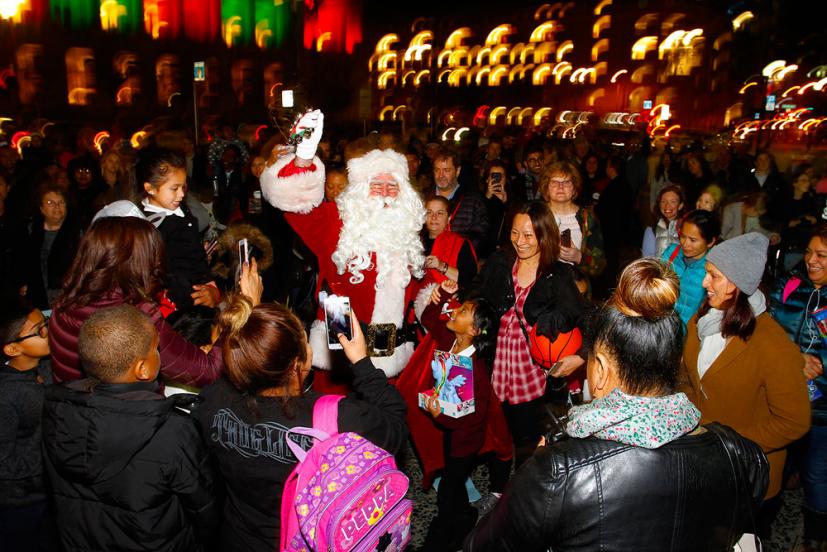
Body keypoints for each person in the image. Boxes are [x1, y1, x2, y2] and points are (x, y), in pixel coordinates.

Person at [465, 258, 769, 551]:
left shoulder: (559, 471)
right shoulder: (740, 455)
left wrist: (536, 475)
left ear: (599, 370)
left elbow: (480, 545)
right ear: (674, 361)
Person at [193, 297, 407, 551]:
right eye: (306, 341)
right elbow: (395, 426)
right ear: (297, 364)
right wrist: (361, 362)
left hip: (241, 538)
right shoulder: (341, 417)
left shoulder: (211, 402)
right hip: (309, 542)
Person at [261, 111, 425, 379]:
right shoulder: (336, 222)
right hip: (341, 358)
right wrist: (303, 159)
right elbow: (294, 204)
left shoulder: (405, 229)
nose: (385, 192)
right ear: (361, 189)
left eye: (392, 185)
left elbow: (416, 289)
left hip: (393, 358)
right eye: (377, 184)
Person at [43, 305, 218, 551]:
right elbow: (203, 509)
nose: (159, 354)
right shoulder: (171, 430)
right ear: (143, 369)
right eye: (156, 349)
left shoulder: (57, 410)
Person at [680, 232, 811, 539]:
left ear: (737, 284)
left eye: (714, 276)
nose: (704, 283)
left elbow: (794, 421)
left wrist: (729, 445)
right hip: (703, 464)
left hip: (745, 477)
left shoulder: (772, 345)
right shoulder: (702, 321)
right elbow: (686, 377)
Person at [49, 216, 260, 387]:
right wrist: (246, 304)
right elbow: (209, 371)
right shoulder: (136, 317)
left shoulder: (64, 302)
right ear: (137, 264)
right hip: (133, 425)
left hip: (72, 419)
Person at [469, 201, 588, 474]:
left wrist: (579, 358)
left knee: (527, 439)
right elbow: (476, 292)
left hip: (531, 372)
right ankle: (498, 489)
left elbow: (588, 319)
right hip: (495, 364)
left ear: (544, 235)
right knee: (496, 432)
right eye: (514, 233)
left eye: (528, 236)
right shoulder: (500, 262)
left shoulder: (556, 275)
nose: (519, 242)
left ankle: (522, 489)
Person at [412, 280, 498, 551]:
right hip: (451, 433)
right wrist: (441, 296)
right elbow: (427, 318)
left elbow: (474, 418)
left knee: (447, 491)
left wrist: (440, 416)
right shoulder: (451, 339)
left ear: (474, 330)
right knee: (453, 478)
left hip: (466, 439)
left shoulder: (476, 370)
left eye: (463, 311)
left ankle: (441, 539)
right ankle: (466, 517)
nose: (455, 311)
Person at [769, 226, 827, 550]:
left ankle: (816, 537)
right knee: (779, 462)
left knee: (817, 473)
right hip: (784, 395)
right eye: (808, 252)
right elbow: (771, 331)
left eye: (821, 255)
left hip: (822, 407)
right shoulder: (791, 284)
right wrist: (796, 358)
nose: (810, 260)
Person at [0, 299, 55, 552]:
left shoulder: (44, 367)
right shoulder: (7, 396)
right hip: (20, 502)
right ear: (12, 349)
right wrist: (49, 458)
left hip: (45, 490)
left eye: (46, 322)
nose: (48, 331)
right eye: (40, 330)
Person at [138, 148, 221, 312]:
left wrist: (197, 251)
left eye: (184, 187)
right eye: (174, 188)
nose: (182, 194)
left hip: (200, 289)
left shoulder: (179, 209)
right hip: (180, 303)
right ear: (150, 188)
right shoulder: (150, 225)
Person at [539, 161, 606, 282]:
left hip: (576, 291)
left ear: (574, 188)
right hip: (540, 289)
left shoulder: (587, 218)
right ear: (546, 187)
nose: (560, 187)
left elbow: (599, 266)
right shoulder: (536, 215)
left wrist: (578, 257)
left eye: (566, 182)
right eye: (554, 182)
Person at [19, 184, 81, 310]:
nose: (57, 206)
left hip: (66, 294)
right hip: (36, 293)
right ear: (41, 208)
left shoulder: (76, 232)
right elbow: (21, 259)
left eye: (61, 202)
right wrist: (22, 281)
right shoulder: (30, 230)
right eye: (50, 202)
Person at [661, 209, 720, 326]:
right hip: (659, 325)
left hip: (687, 333)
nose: (685, 244)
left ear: (710, 242)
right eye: (682, 236)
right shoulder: (671, 254)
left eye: (693, 240)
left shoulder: (713, 270)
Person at [432, 147, 490, 252]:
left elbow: (481, 236)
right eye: (437, 170)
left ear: (457, 171)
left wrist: (460, 255)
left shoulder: (473, 201)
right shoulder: (423, 199)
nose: (441, 175)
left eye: (446, 170)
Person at [421, 196, 477, 289]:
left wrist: (441, 266)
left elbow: (469, 280)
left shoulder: (460, 243)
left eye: (440, 213)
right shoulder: (415, 242)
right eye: (429, 212)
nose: (433, 217)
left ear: (449, 218)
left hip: (447, 299)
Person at [642, 184, 685, 258]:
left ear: (680, 205)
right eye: (663, 201)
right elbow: (648, 258)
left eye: (673, 201)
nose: (667, 206)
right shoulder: (652, 228)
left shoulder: (687, 227)